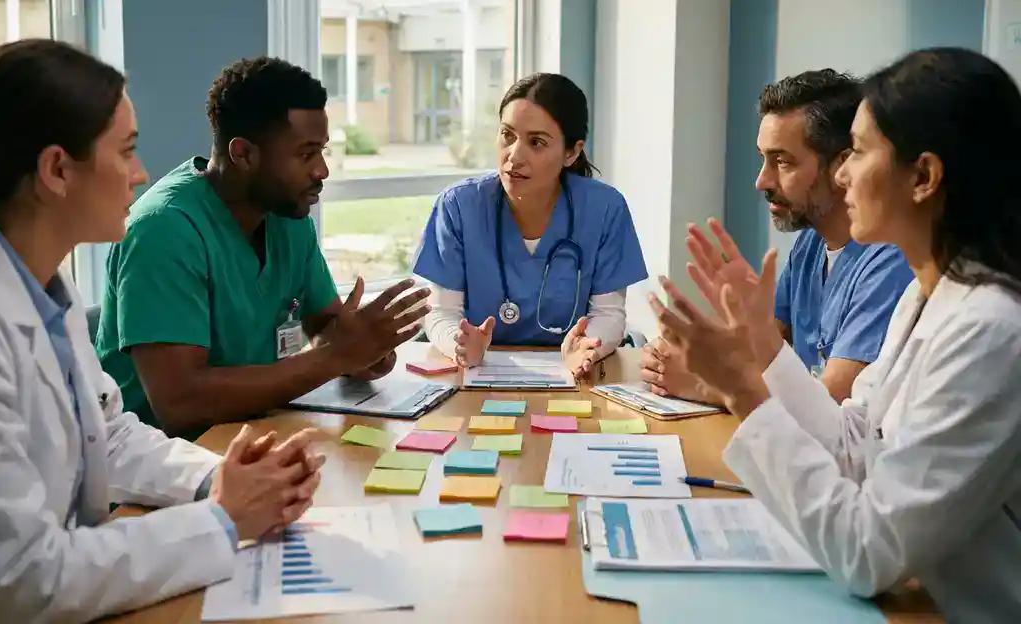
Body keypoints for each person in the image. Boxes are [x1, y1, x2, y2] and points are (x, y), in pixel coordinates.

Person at [651, 47, 1021, 621]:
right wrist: (762, 342)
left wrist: (743, 392)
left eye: (860, 153)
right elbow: (855, 445)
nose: (843, 174)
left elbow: (868, 553)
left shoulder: (991, 331)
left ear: (923, 177)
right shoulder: (924, 298)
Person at [0, 39, 325, 623]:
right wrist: (221, 520)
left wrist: (226, 479)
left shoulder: (46, 289)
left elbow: (109, 435)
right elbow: (26, 578)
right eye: (126, 151)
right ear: (57, 170)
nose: (141, 174)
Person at [97, 57, 429, 436]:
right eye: (305, 154)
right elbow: (181, 404)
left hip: (253, 437)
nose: (321, 170)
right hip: (162, 461)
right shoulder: (164, 231)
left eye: (322, 151)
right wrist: (337, 356)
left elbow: (327, 328)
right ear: (243, 154)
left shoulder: (287, 216)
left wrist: (365, 350)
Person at [642, 70, 914, 403]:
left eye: (782, 161)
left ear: (841, 167)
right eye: (763, 159)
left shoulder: (890, 261)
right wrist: (685, 354)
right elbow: (760, 355)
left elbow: (832, 401)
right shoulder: (810, 244)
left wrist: (704, 386)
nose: (762, 181)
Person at [412, 73, 647, 375]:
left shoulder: (604, 209)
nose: (514, 155)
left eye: (536, 142)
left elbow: (608, 314)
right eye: (507, 135)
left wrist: (587, 347)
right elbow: (441, 311)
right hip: (477, 371)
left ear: (572, 152)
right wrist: (459, 344)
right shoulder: (459, 206)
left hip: (572, 374)